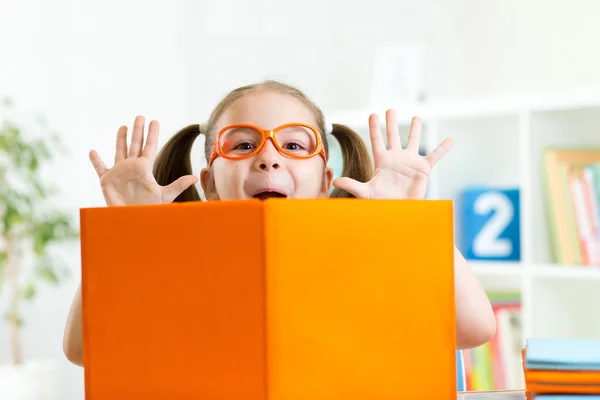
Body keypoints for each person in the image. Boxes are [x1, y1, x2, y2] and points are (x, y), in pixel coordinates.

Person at [63, 80, 496, 367]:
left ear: (326, 181)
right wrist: (127, 235)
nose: (269, 156)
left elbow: (475, 328)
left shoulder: (366, 257)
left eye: (293, 144)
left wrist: (407, 222)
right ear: (210, 183)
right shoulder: (174, 265)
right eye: (244, 144)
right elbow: (84, 350)